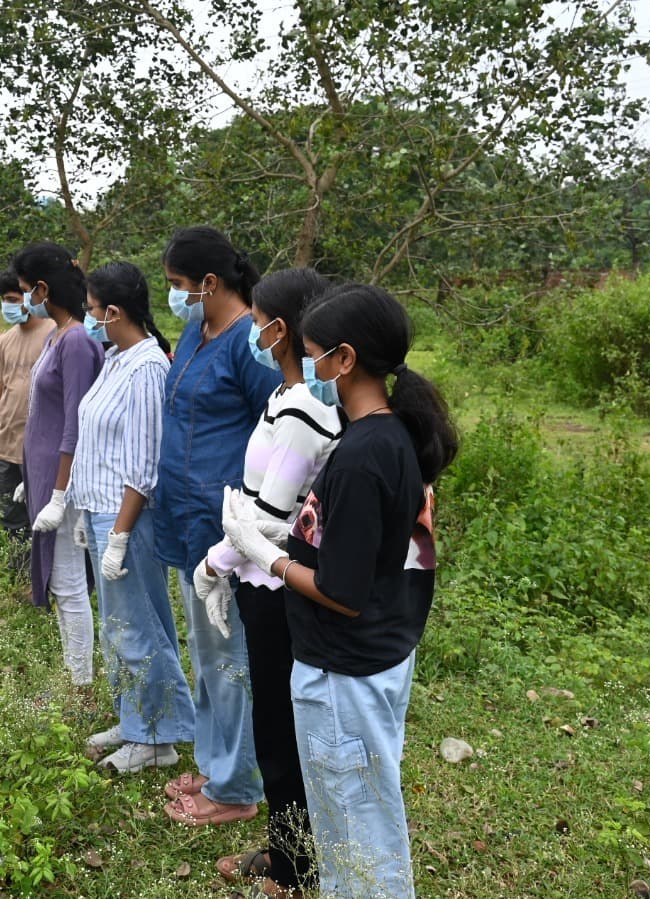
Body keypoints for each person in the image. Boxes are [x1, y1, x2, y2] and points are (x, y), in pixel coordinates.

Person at [220, 283, 458, 899]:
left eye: (313, 355)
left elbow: (341, 591)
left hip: (343, 672)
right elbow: (374, 553)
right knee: (359, 812)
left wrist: (267, 557)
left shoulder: (360, 456)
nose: (309, 370)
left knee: (356, 827)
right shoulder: (391, 437)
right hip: (380, 653)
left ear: (345, 359)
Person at [195, 269, 345, 897]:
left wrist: (214, 563)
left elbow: (270, 515)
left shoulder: (306, 408)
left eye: (256, 323)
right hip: (259, 578)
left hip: (278, 588)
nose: (251, 333)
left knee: (281, 731)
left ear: (279, 329)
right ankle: (287, 849)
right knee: (275, 723)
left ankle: (294, 868)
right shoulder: (285, 396)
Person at [154, 226, 279, 827]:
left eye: (178, 284)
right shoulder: (194, 330)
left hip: (226, 529)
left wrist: (251, 523)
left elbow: (278, 433)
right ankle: (213, 760)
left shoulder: (249, 344)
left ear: (209, 282)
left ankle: (236, 787)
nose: (173, 295)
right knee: (206, 654)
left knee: (230, 658)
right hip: (185, 519)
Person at [71, 261, 195, 772]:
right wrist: (83, 507)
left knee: (136, 629)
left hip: (127, 519)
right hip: (101, 511)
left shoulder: (147, 369)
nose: (88, 317)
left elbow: (143, 464)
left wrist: (120, 534)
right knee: (120, 626)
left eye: (91, 309)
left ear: (114, 312)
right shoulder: (117, 358)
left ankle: (156, 739)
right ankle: (135, 719)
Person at [13, 242, 104, 692]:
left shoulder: (77, 341)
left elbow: (75, 421)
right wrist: (30, 477)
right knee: (60, 582)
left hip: (62, 481)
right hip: (45, 476)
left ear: (43, 289)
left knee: (68, 583)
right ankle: (74, 675)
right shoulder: (56, 335)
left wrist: (59, 491)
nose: (24, 298)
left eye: (26, 289)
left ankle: (80, 684)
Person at [0, 270, 55, 589]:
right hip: (6, 446)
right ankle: (22, 579)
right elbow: (0, 394)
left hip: (38, 448)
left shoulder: (53, 333)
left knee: (40, 518)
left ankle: (47, 583)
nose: (8, 305)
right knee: (11, 518)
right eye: (4, 300)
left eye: (13, 298)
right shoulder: (6, 340)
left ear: (30, 297)